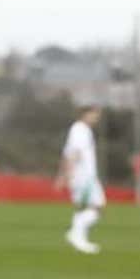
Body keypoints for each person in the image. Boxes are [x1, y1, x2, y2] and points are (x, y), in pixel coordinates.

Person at [53, 105, 104, 255]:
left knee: (85, 207)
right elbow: (74, 153)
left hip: (83, 175)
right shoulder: (80, 130)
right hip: (84, 176)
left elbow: (66, 153)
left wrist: (62, 174)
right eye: (94, 114)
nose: (97, 117)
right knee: (97, 207)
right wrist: (67, 174)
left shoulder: (79, 130)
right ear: (86, 114)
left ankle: (79, 237)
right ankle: (76, 235)